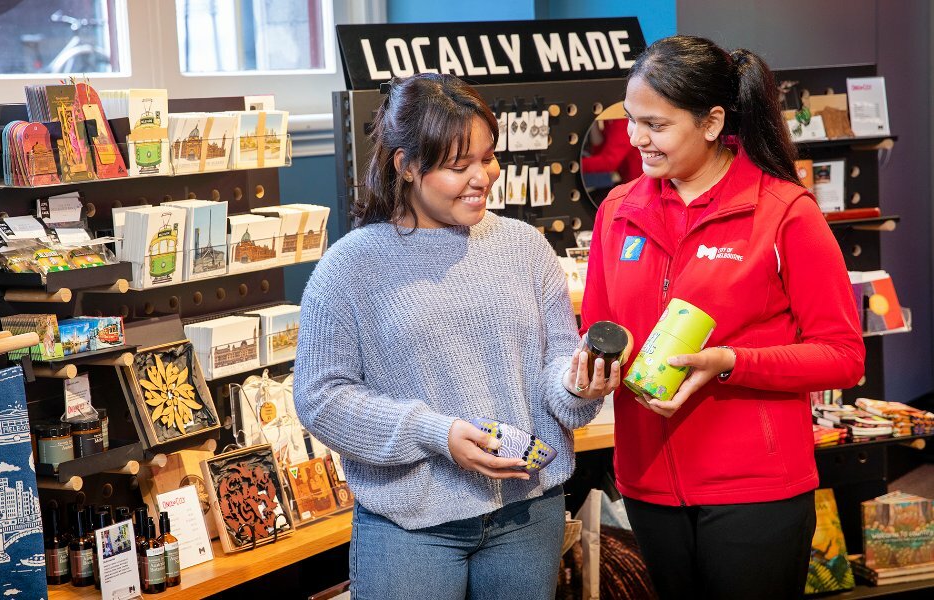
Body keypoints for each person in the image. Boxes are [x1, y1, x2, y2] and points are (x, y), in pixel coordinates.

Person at [293, 73, 617, 600]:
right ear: (405, 165)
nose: (481, 177)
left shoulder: (524, 246)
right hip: (411, 525)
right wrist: (435, 433)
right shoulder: (350, 268)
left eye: (488, 158)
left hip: (527, 513)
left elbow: (555, 368)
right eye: (457, 165)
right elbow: (320, 398)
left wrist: (580, 384)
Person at [579, 35, 865, 600]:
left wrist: (731, 362)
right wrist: (590, 366)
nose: (636, 139)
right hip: (647, 485)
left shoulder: (784, 213)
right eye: (632, 120)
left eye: (656, 126)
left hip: (756, 492)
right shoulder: (618, 211)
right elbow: (597, 328)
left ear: (712, 122)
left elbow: (843, 355)